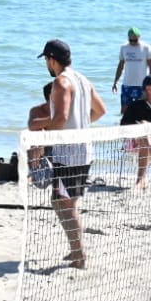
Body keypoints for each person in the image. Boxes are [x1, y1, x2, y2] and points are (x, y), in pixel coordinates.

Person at [30, 39, 106, 269]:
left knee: (66, 203)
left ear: (52, 59)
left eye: (46, 59)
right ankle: (76, 250)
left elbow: (61, 118)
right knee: (60, 200)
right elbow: (101, 111)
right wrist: (80, 125)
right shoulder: (83, 79)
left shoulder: (61, 82)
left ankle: (80, 254)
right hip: (83, 148)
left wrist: (43, 137)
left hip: (69, 152)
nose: (46, 63)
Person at [111, 28, 151, 115]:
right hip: (127, 85)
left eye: (135, 40)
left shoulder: (147, 48)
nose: (133, 42)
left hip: (142, 85)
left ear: (139, 37)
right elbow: (120, 66)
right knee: (124, 112)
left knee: (142, 111)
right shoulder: (124, 48)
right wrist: (115, 82)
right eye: (130, 40)